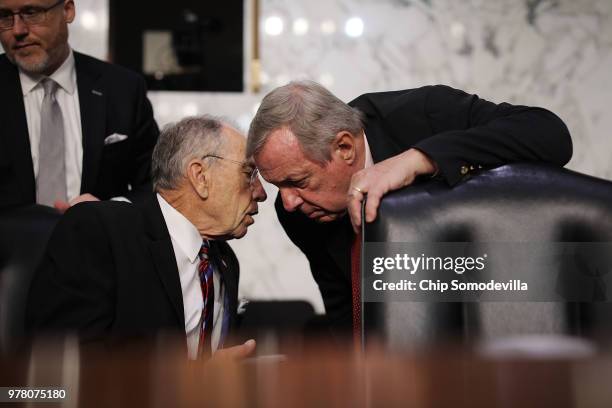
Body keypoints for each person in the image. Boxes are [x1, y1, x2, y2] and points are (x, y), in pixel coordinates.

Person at [247, 80, 572, 334]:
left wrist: (419, 159)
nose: (288, 202)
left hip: (512, 299)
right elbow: (346, 312)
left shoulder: (425, 113)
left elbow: (550, 134)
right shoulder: (299, 215)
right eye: (279, 187)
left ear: (344, 146)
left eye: (298, 181)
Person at [26, 116, 267, 359]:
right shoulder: (100, 232)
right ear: (200, 176)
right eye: (249, 172)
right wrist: (195, 381)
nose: (261, 192)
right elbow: (65, 364)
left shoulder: (225, 262)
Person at [0, 0, 159, 210]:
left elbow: (157, 185)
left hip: (100, 241)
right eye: (4, 16)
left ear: (67, 10)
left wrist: (111, 212)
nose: (18, 29)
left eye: (32, 13)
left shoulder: (123, 89)